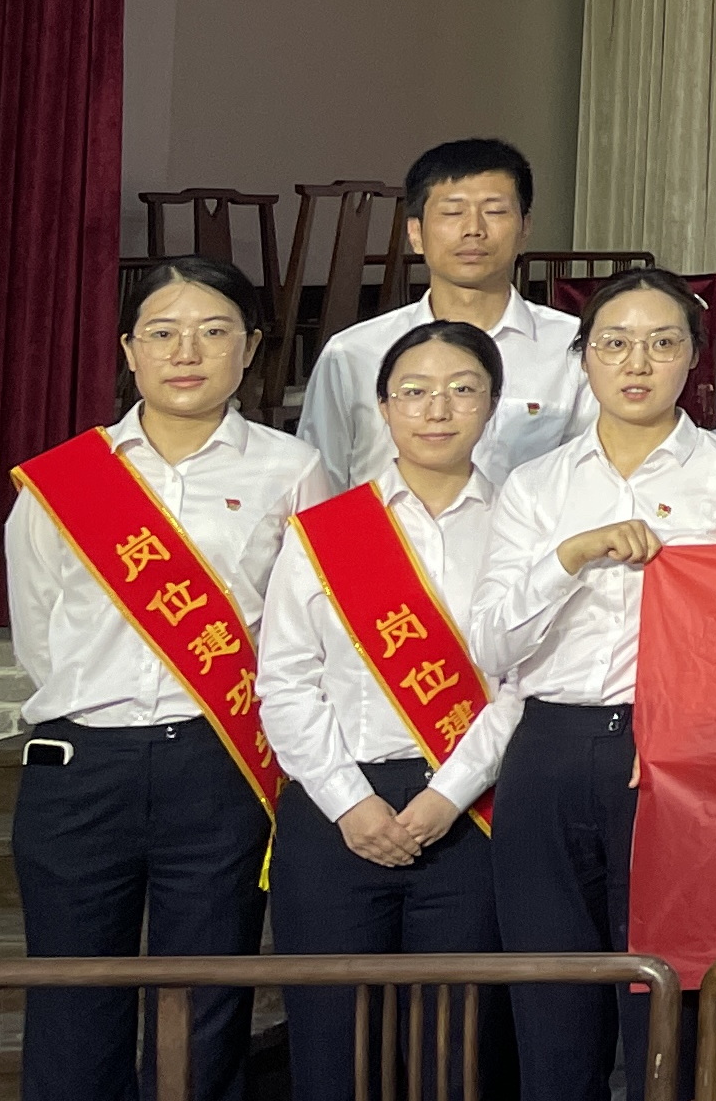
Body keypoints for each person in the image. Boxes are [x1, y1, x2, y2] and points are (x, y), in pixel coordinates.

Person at [9, 258, 335, 1101]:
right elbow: (40, 631)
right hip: (81, 768)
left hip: (219, 762)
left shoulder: (294, 471)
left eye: (213, 330)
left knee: (206, 996)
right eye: (163, 332)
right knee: (73, 997)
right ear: (128, 349)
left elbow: (310, 628)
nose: (186, 351)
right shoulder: (65, 478)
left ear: (250, 347)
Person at [483, 271, 716, 1101]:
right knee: (552, 1005)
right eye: (614, 343)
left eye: (661, 343)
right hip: (548, 747)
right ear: (584, 358)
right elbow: (492, 643)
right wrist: (569, 558)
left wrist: (689, 734)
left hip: (676, 756)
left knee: (669, 1010)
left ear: (693, 357)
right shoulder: (537, 485)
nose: (637, 363)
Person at [262, 319, 518, 1101]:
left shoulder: (523, 524)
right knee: (333, 1047)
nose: (437, 409)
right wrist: (351, 802)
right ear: (382, 407)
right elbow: (286, 680)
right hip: (336, 812)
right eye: (414, 391)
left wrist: (448, 795)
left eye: (462, 389)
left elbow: (524, 681)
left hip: (474, 816)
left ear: (492, 404)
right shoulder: (329, 531)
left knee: (455, 1051)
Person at [301, 137, 591, 486]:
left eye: (495, 212)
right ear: (415, 232)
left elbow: (592, 478)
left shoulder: (575, 349)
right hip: (384, 523)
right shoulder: (352, 353)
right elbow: (320, 486)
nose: (474, 230)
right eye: (453, 213)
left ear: (524, 228)